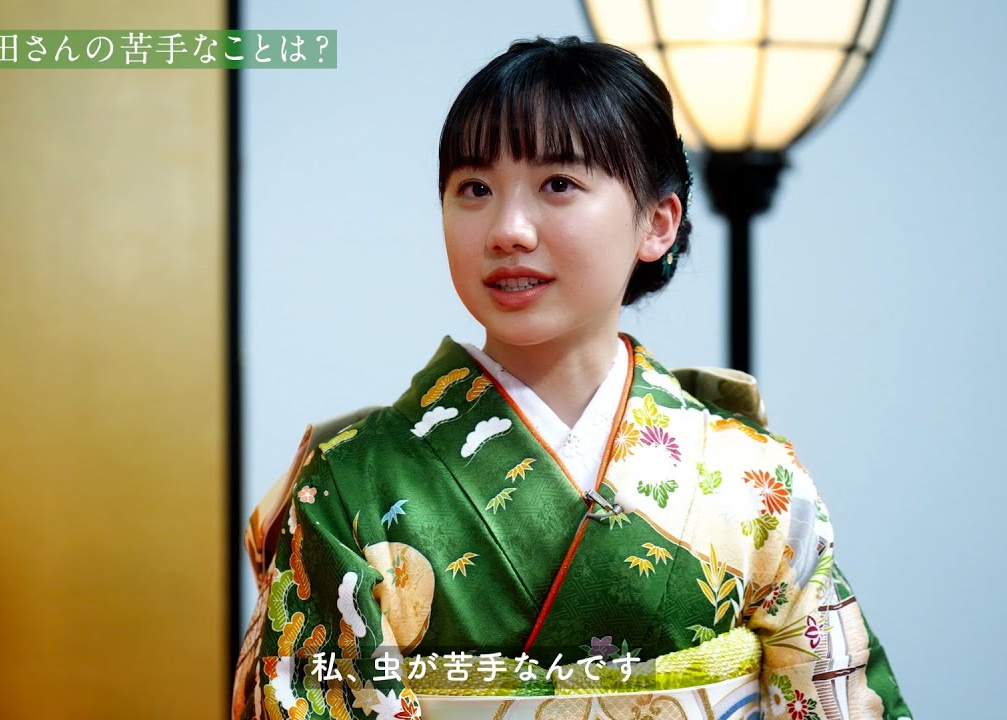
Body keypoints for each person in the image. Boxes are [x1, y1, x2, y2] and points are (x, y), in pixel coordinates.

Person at [232, 36, 911, 720]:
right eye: (475, 189)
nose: (508, 230)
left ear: (657, 223)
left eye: (558, 184)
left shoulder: (756, 478)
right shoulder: (351, 477)